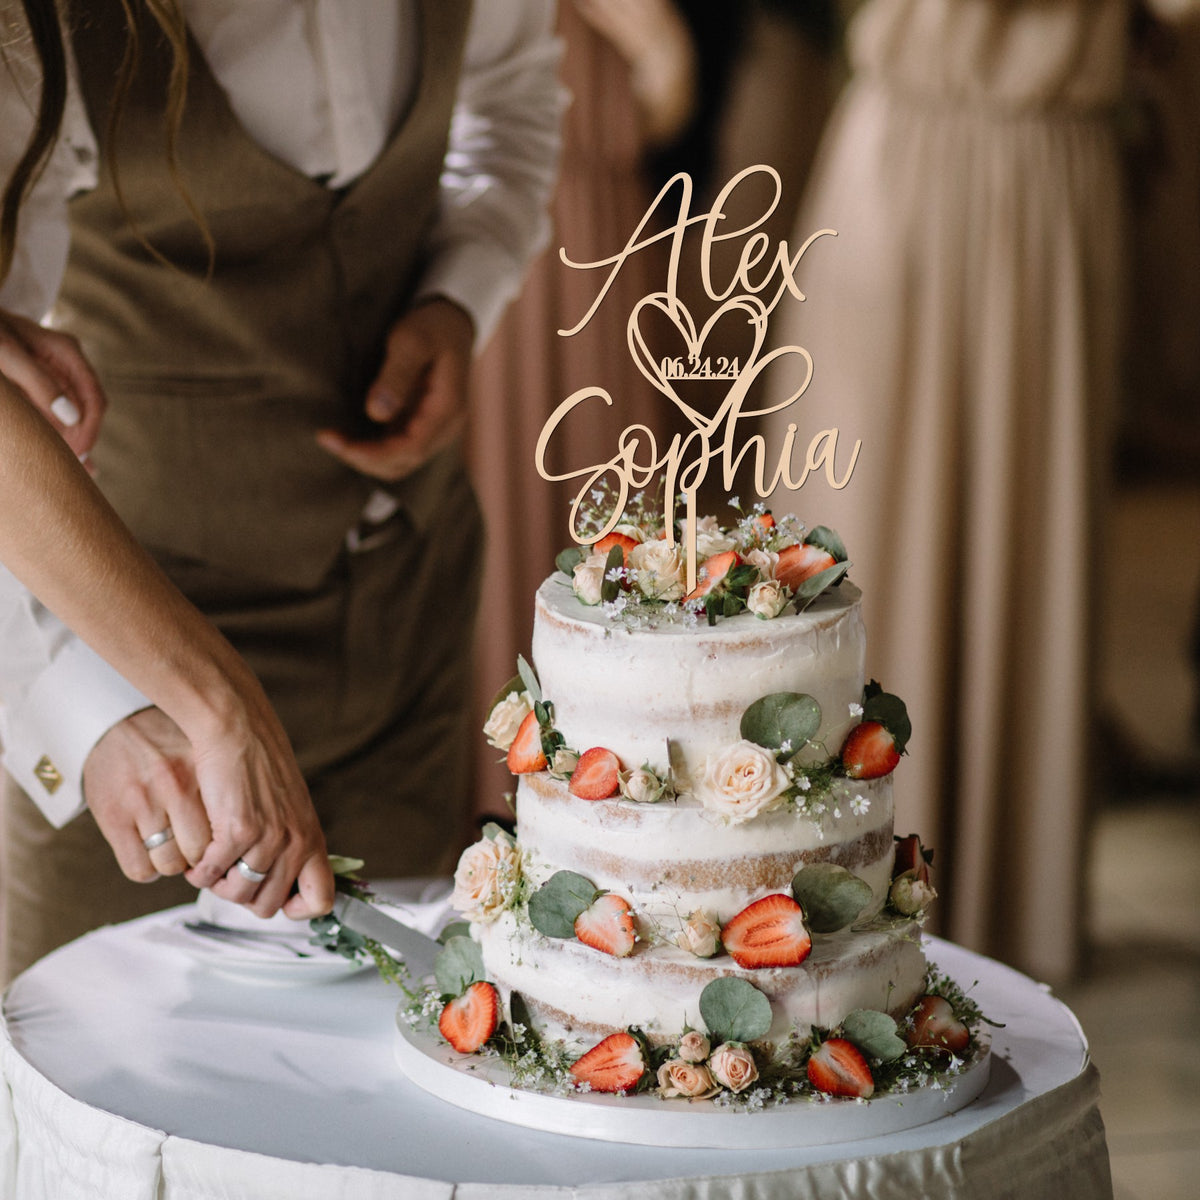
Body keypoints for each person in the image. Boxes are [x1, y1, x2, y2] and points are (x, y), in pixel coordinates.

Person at [0, 0, 562, 981]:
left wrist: (457, 294)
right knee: (98, 1114)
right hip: (135, 696)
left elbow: (511, 106)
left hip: (409, 630)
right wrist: (82, 706)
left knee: (387, 1082)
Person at [769, 0, 1129, 983]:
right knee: (871, 544)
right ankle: (816, 900)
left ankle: (1008, 909)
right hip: (915, 153)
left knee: (1030, 548)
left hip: (1051, 161)